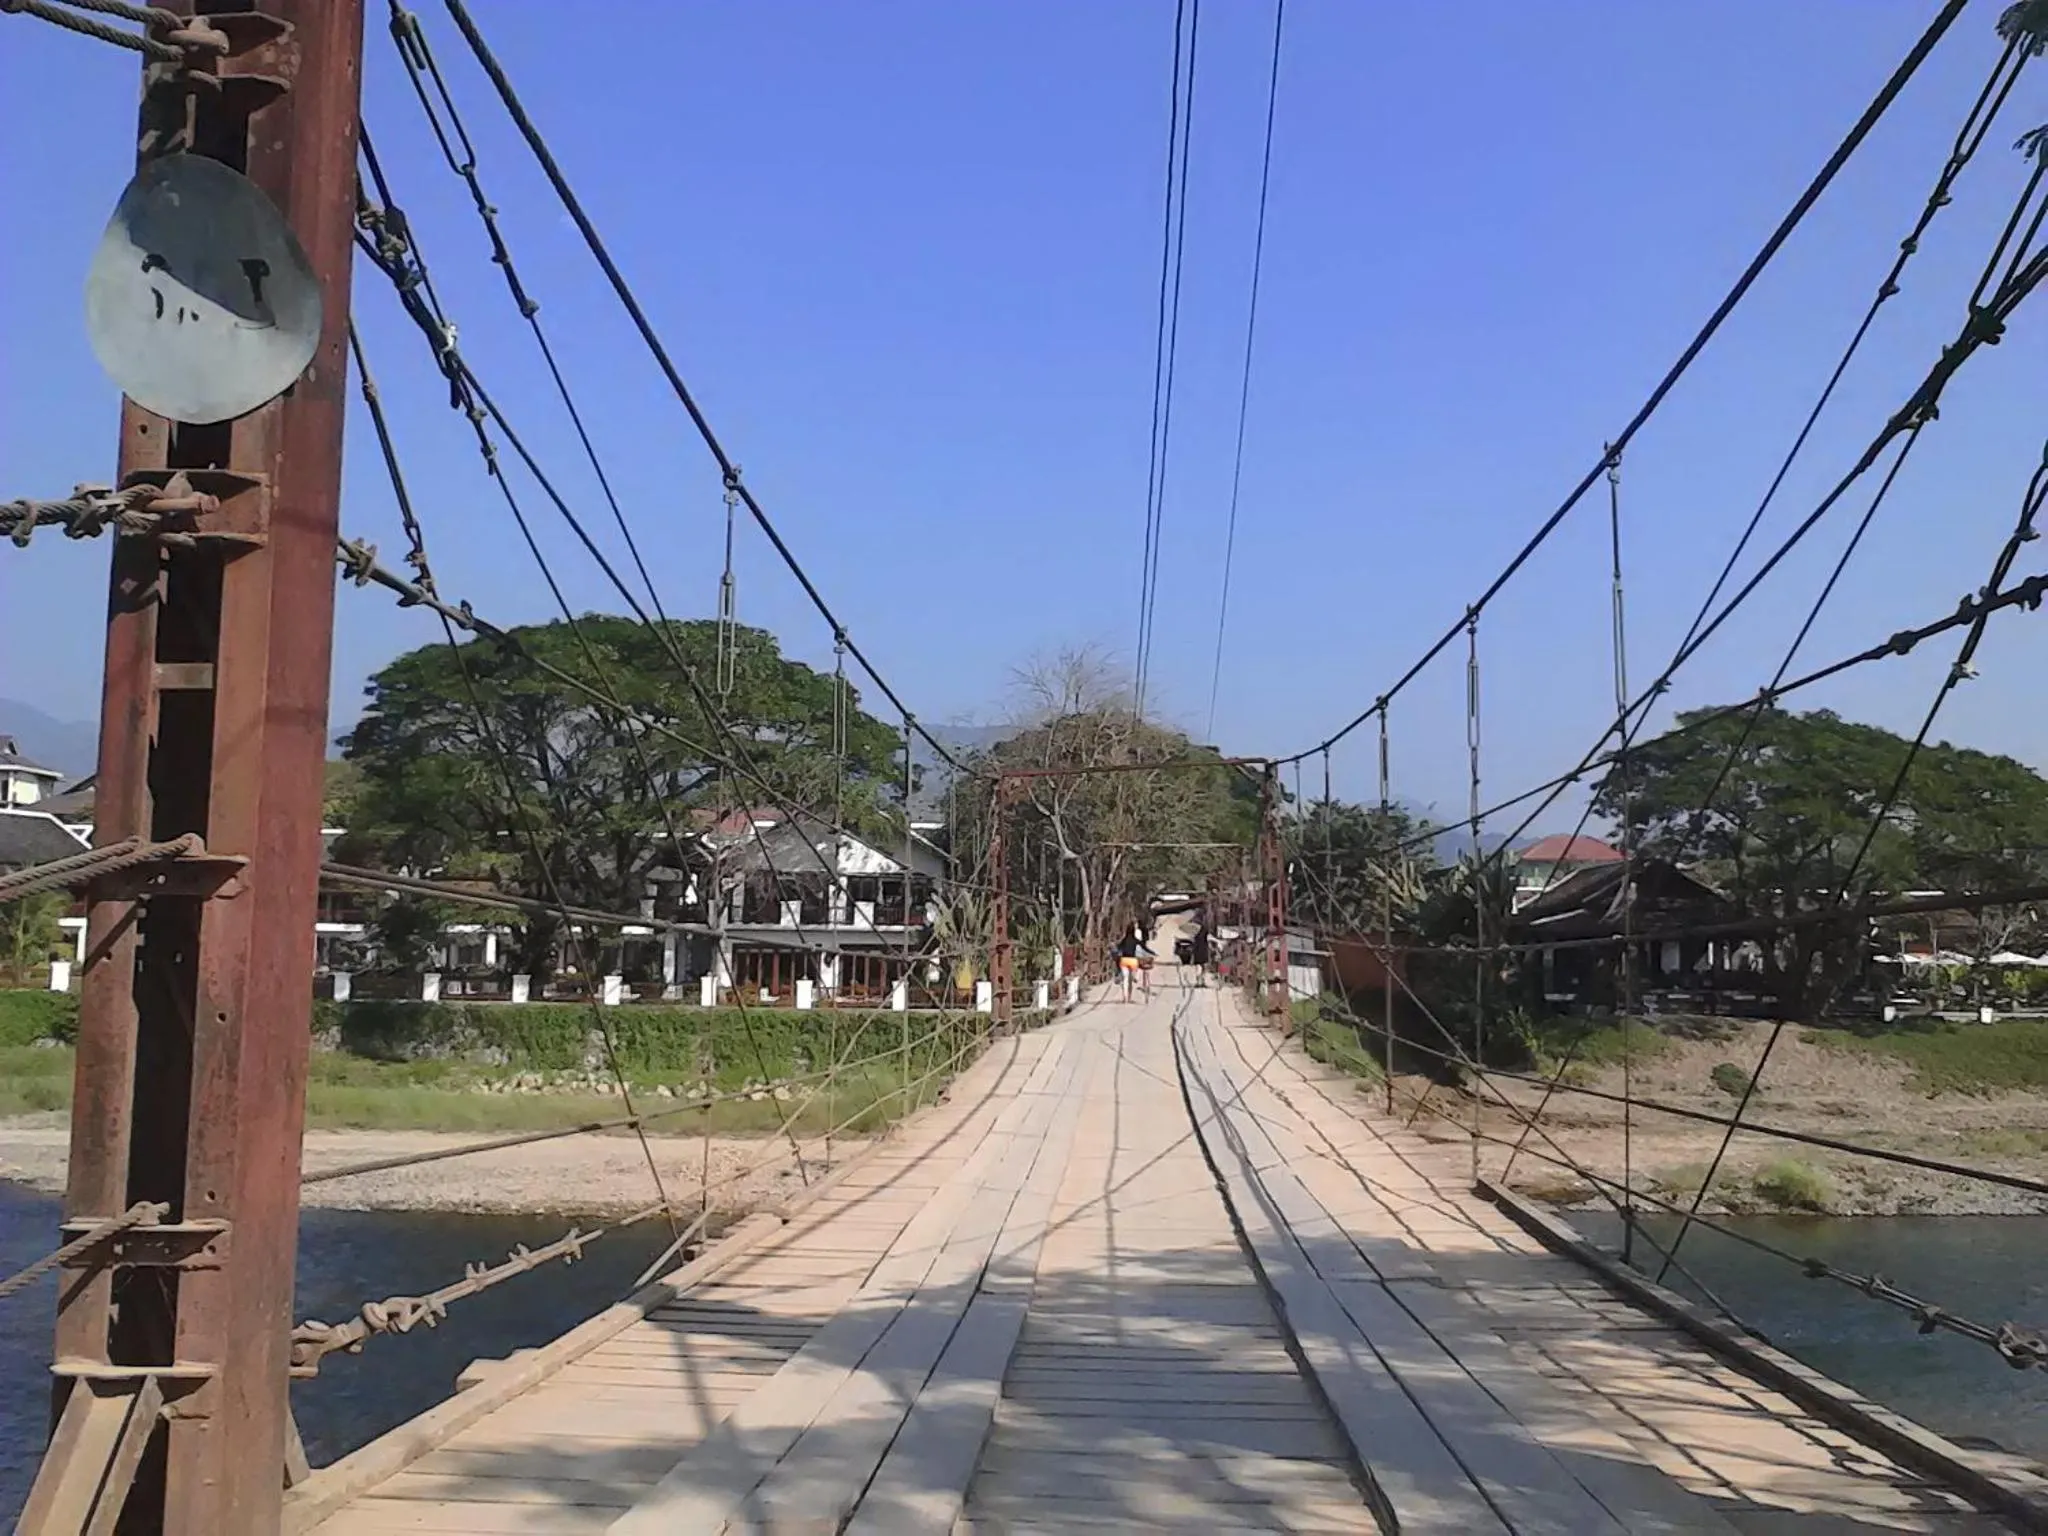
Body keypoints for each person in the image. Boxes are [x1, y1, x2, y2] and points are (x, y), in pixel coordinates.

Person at [1114, 924, 1152, 1003]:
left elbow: (1118, 947)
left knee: (1125, 979)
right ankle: (1130, 997)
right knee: (1130, 981)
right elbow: (1144, 947)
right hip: (1132, 961)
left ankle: (1125, 998)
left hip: (1124, 961)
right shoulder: (1135, 940)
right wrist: (1152, 953)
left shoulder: (1124, 940)